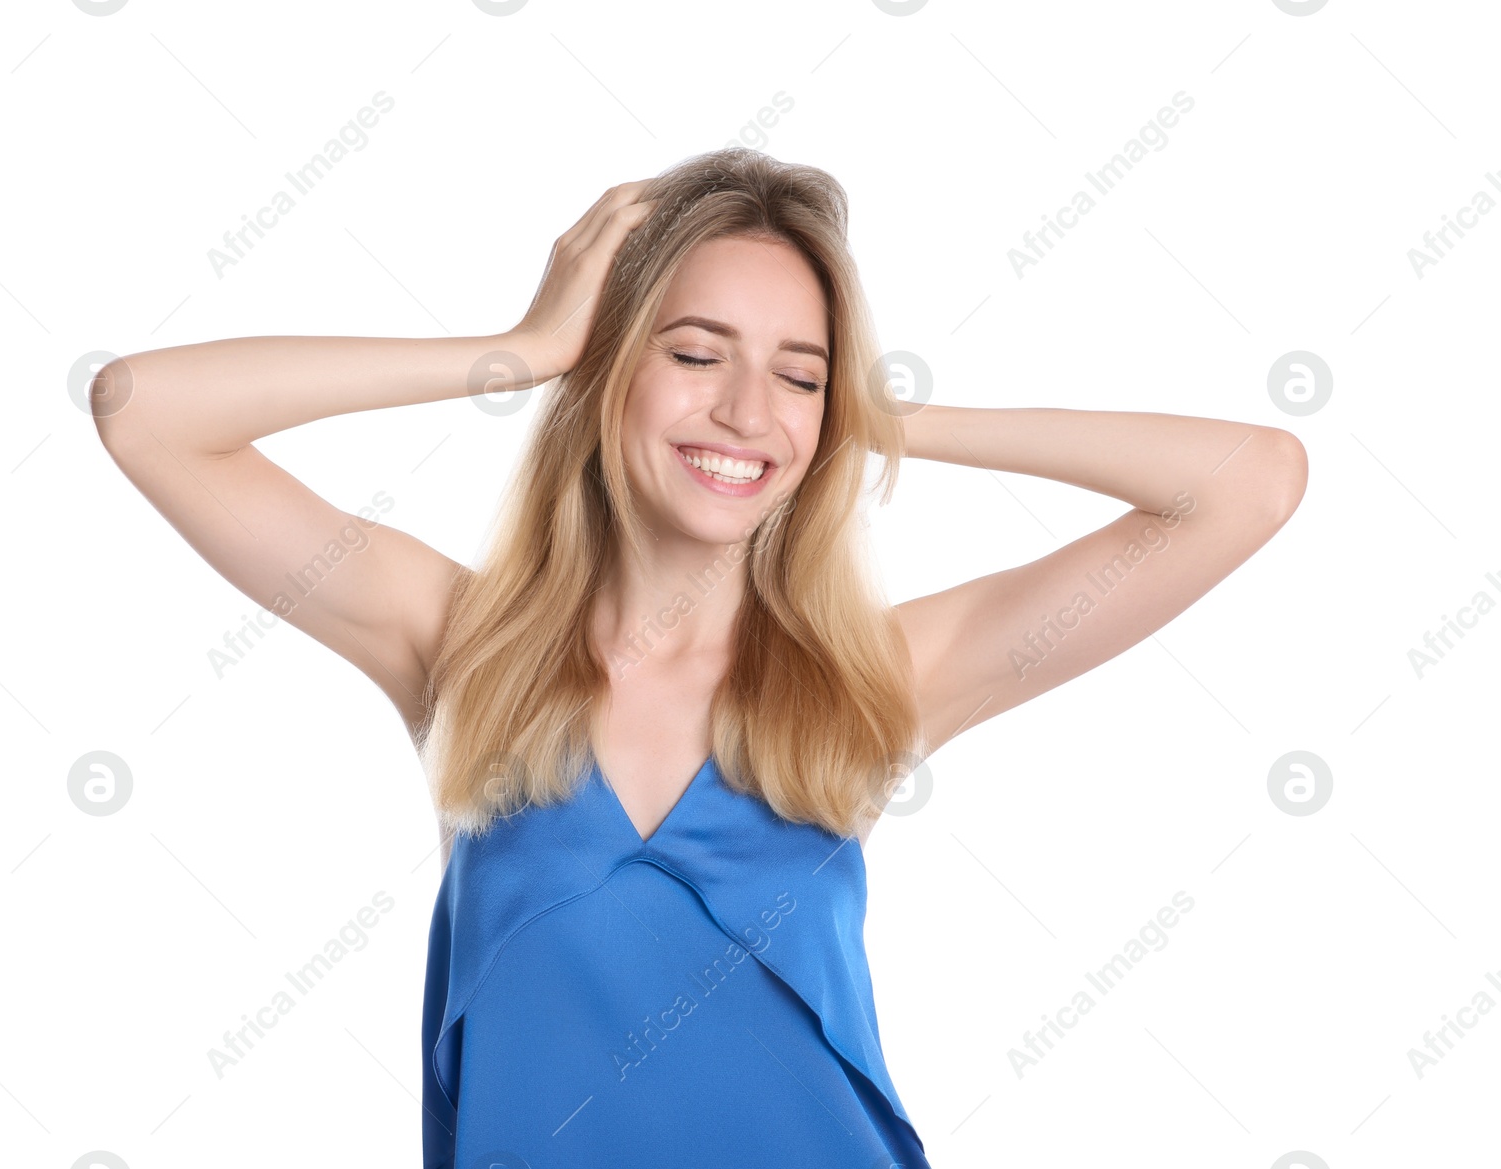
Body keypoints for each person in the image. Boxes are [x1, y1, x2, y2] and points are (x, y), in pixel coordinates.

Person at [92, 146, 1307, 1168]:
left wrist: (878, 419)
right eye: (692, 353)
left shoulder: (873, 679)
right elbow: (145, 410)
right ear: (608, 372)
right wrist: (513, 351)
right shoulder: (461, 647)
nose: (745, 411)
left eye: (797, 372)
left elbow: (1250, 483)